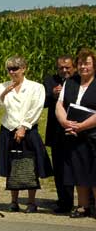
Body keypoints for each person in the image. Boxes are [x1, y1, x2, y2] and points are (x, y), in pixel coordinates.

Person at [0, 56, 53, 213]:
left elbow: (36, 108)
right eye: (9, 69)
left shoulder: (36, 87)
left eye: (15, 69)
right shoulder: (0, 86)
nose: (11, 72)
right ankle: (13, 201)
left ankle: (31, 202)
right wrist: (3, 94)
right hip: (8, 129)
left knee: (30, 166)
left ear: (24, 68)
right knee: (12, 166)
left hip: (28, 130)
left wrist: (24, 126)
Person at [56, 48, 96, 219]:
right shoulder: (70, 82)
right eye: (80, 64)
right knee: (79, 170)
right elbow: (59, 104)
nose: (83, 67)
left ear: (94, 65)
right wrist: (65, 122)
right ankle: (83, 205)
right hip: (73, 134)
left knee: (94, 171)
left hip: (93, 134)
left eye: (86, 63)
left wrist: (82, 126)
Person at [44, 55, 77, 213]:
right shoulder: (50, 80)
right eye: (61, 68)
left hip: (78, 130)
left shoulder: (79, 80)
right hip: (57, 132)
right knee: (60, 168)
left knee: (81, 166)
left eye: (68, 68)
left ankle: (89, 202)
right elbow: (42, 102)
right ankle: (64, 202)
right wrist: (52, 94)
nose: (64, 71)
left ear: (74, 67)